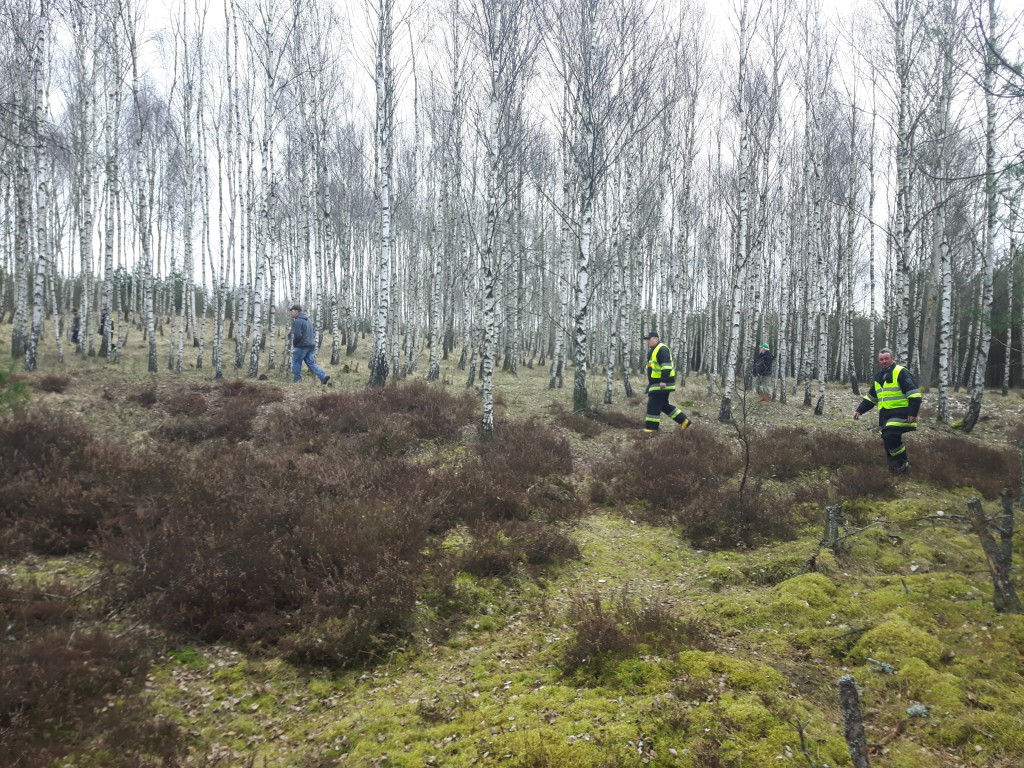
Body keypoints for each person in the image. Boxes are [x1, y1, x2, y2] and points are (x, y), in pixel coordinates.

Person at [852, 347, 921, 474]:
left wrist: (912, 412)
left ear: (892, 359)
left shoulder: (901, 372)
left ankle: (902, 463)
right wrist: (859, 410)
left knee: (890, 435)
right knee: (887, 439)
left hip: (902, 412)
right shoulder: (879, 376)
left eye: (886, 359)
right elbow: (871, 397)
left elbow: (914, 394)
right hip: (885, 414)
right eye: (881, 359)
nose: (884, 361)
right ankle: (895, 468)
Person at [642, 331, 690, 433]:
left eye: (649, 339)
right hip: (655, 383)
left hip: (662, 383)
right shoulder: (653, 351)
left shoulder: (662, 349)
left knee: (653, 404)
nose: (648, 342)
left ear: (656, 339)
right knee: (663, 405)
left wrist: (663, 381)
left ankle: (651, 428)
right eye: (647, 340)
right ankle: (684, 421)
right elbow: (651, 367)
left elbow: (667, 366)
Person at [290, 304, 330, 385]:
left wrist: (295, 344)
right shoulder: (308, 320)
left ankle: (297, 380)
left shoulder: (297, 320)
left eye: (292, 311)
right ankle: (323, 376)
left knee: (296, 362)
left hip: (301, 346)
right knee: (311, 363)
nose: (291, 312)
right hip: (311, 346)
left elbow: (297, 335)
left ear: (296, 311)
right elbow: (313, 333)